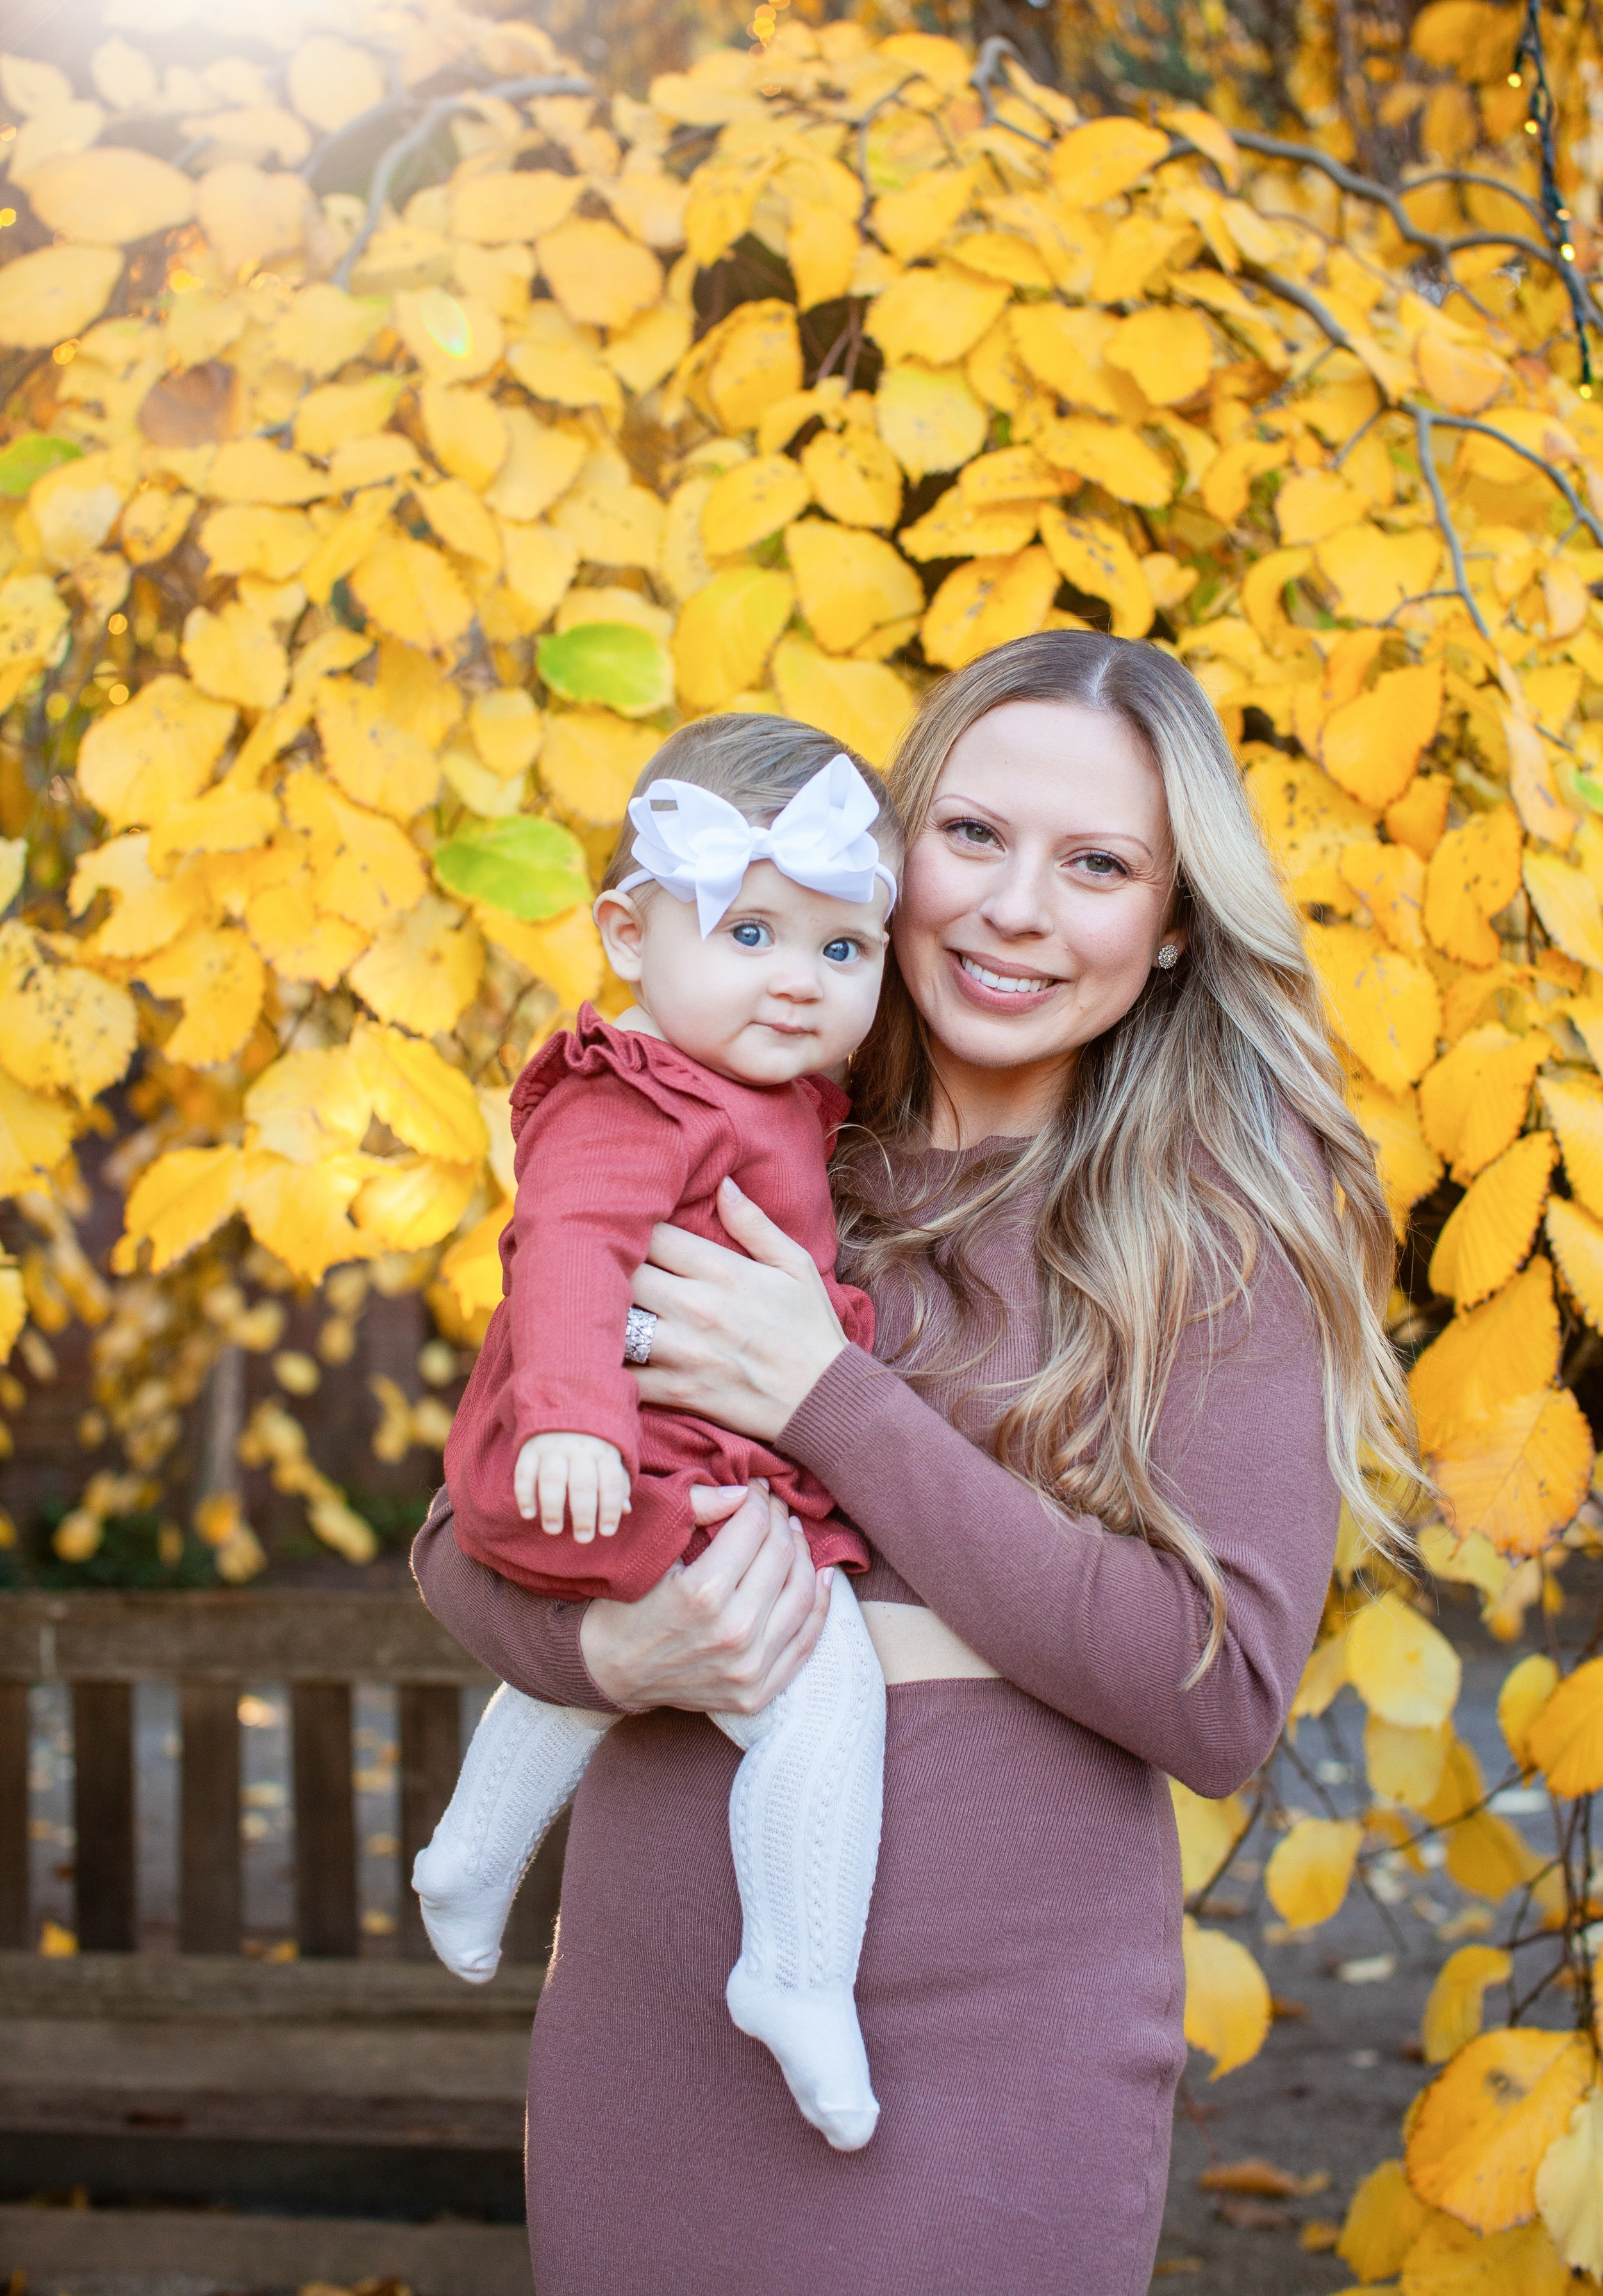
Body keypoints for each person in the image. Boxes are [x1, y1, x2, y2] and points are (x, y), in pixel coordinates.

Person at [413, 629, 1418, 2296]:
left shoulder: (1231, 1232)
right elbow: (464, 1533)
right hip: (656, 2020)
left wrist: (828, 1400)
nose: (1020, 907)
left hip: (998, 2052)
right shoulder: (737, 1123)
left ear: (1170, 928)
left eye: (1097, 865)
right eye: (975, 837)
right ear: (890, 854)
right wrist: (607, 1649)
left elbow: (1221, 1699)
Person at [416, 719, 904, 2151]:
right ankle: (795, 1969)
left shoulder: (765, 1094)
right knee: (823, 1687)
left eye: (840, 950)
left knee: (595, 1664)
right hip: (624, 1456)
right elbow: (563, 1248)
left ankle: (471, 1852)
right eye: (749, 929)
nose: (797, 981)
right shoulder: (631, 1092)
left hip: (671, 1459)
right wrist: (571, 1422)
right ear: (629, 934)